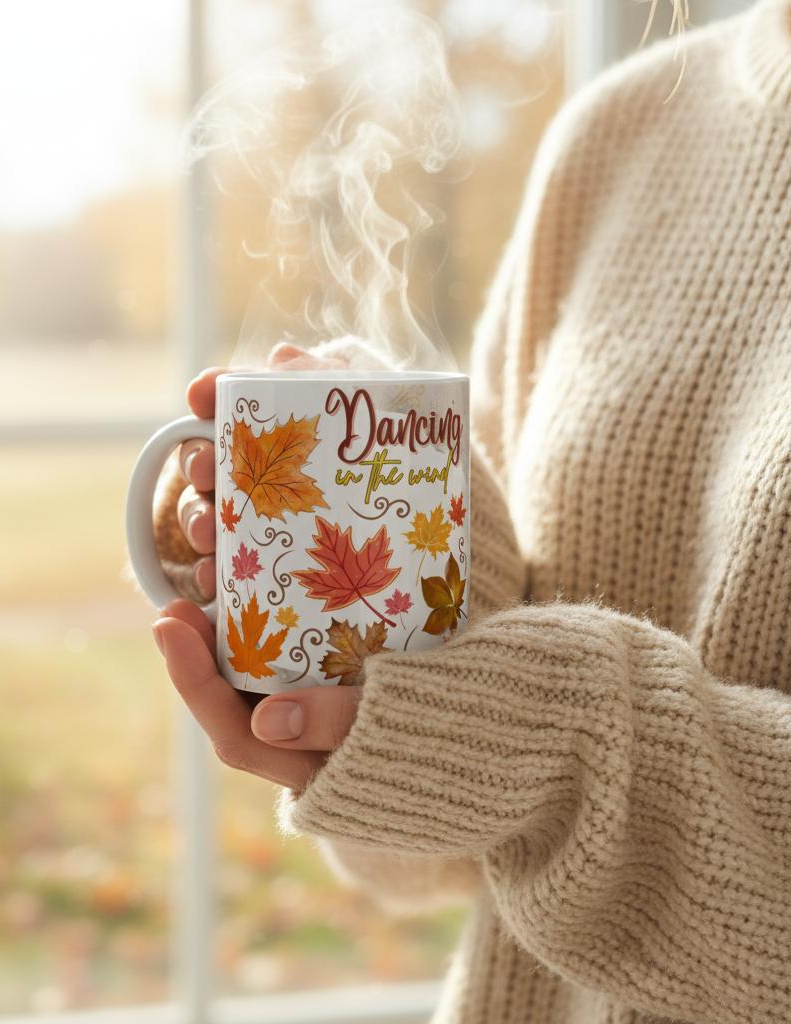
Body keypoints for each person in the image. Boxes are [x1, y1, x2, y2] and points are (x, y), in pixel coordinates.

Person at [149, 3, 791, 1021]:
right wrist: (410, 616)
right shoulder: (623, 131)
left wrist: (560, 744)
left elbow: (534, 745)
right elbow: (453, 853)